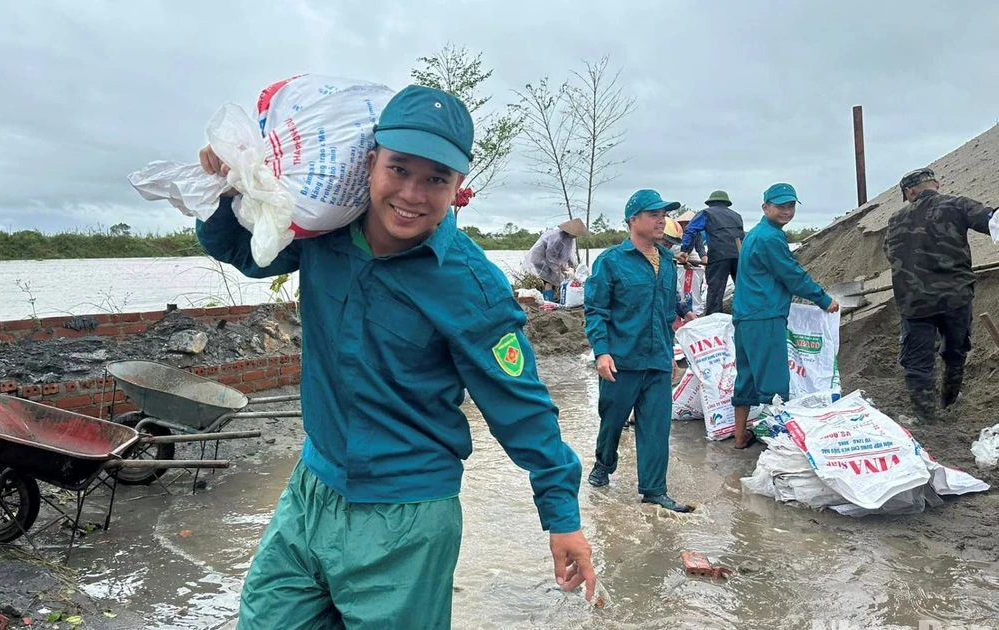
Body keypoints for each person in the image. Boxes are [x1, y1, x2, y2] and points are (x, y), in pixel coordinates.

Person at [195, 84, 598, 629]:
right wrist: (227, 185)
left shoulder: (470, 283)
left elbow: (520, 405)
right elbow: (244, 251)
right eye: (399, 168)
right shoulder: (323, 232)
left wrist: (562, 516)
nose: (412, 193)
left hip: (407, 519)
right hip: (312, 489)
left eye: (436, 178)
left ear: (458, 187)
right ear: (370, 163)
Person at [583, 189, 697, 512]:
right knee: (613, 421)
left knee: (657, 425)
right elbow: (595, 310)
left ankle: (654, 490)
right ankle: (603, 465)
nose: (662, 220)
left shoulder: (668, 262)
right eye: (653, 214)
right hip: (622, 360)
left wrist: (672, 354)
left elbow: (665, 311)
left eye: (664, 214)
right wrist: (601, 352)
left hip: (658, 360)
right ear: (633, 220)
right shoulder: (612, 262)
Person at [884, 167, 997, 424]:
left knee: (917, 361)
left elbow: (890, 254)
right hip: (956, 298)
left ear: (909, 191)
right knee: (955, 352)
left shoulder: (895, 220)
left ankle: (925, 419)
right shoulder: (956, 205)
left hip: (915, 302)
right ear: (935, 184)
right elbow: (992, 220)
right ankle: (949, 403)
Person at [731, 183, 839, 448]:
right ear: (765, 207)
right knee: (775, 381)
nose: (786, 211)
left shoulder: (756, 234)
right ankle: (778, 446)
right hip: (765, 315)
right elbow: (791, 274)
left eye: (790, 206)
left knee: (746, 376)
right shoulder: (769, 237)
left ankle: (739, 436)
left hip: (745, 315)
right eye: (780, 206)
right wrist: (823, 299)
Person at [678, 190, 744, 315]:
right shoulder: (737, 216)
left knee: (715, 292)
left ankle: (713, 322)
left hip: (718, 255)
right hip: (739, 255)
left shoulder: (706, 213)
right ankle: (742, 317)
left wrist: (685, 251)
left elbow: (690, 230)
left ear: (710, 203)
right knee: (742, 290)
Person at [522, 218, 588, 300]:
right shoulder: (556, 237)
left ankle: (548, 299)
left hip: (548, 260)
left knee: (552, 280)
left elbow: (568, 254)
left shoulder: (569, 239)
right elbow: (550, 255)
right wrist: (558, 267)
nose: (576, 236)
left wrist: (570, 266)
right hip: (540, 259)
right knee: (549, 280)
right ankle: (548, 301)